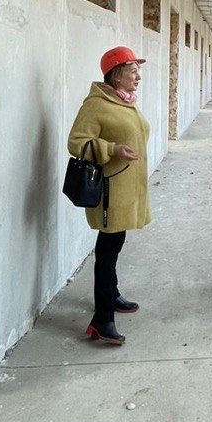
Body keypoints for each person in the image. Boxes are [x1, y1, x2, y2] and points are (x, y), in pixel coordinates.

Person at [67, 46, 151, 345]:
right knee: (107, 251)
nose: (138, 77)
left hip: (128, 188)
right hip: (110, 191)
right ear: (116, 75)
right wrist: (111, 149)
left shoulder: (124, 101)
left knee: (115, 245)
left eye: (137, 71)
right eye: (132, 71)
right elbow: (76, 142)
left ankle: (112, 295)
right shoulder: (96, 104)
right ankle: (102, 320)